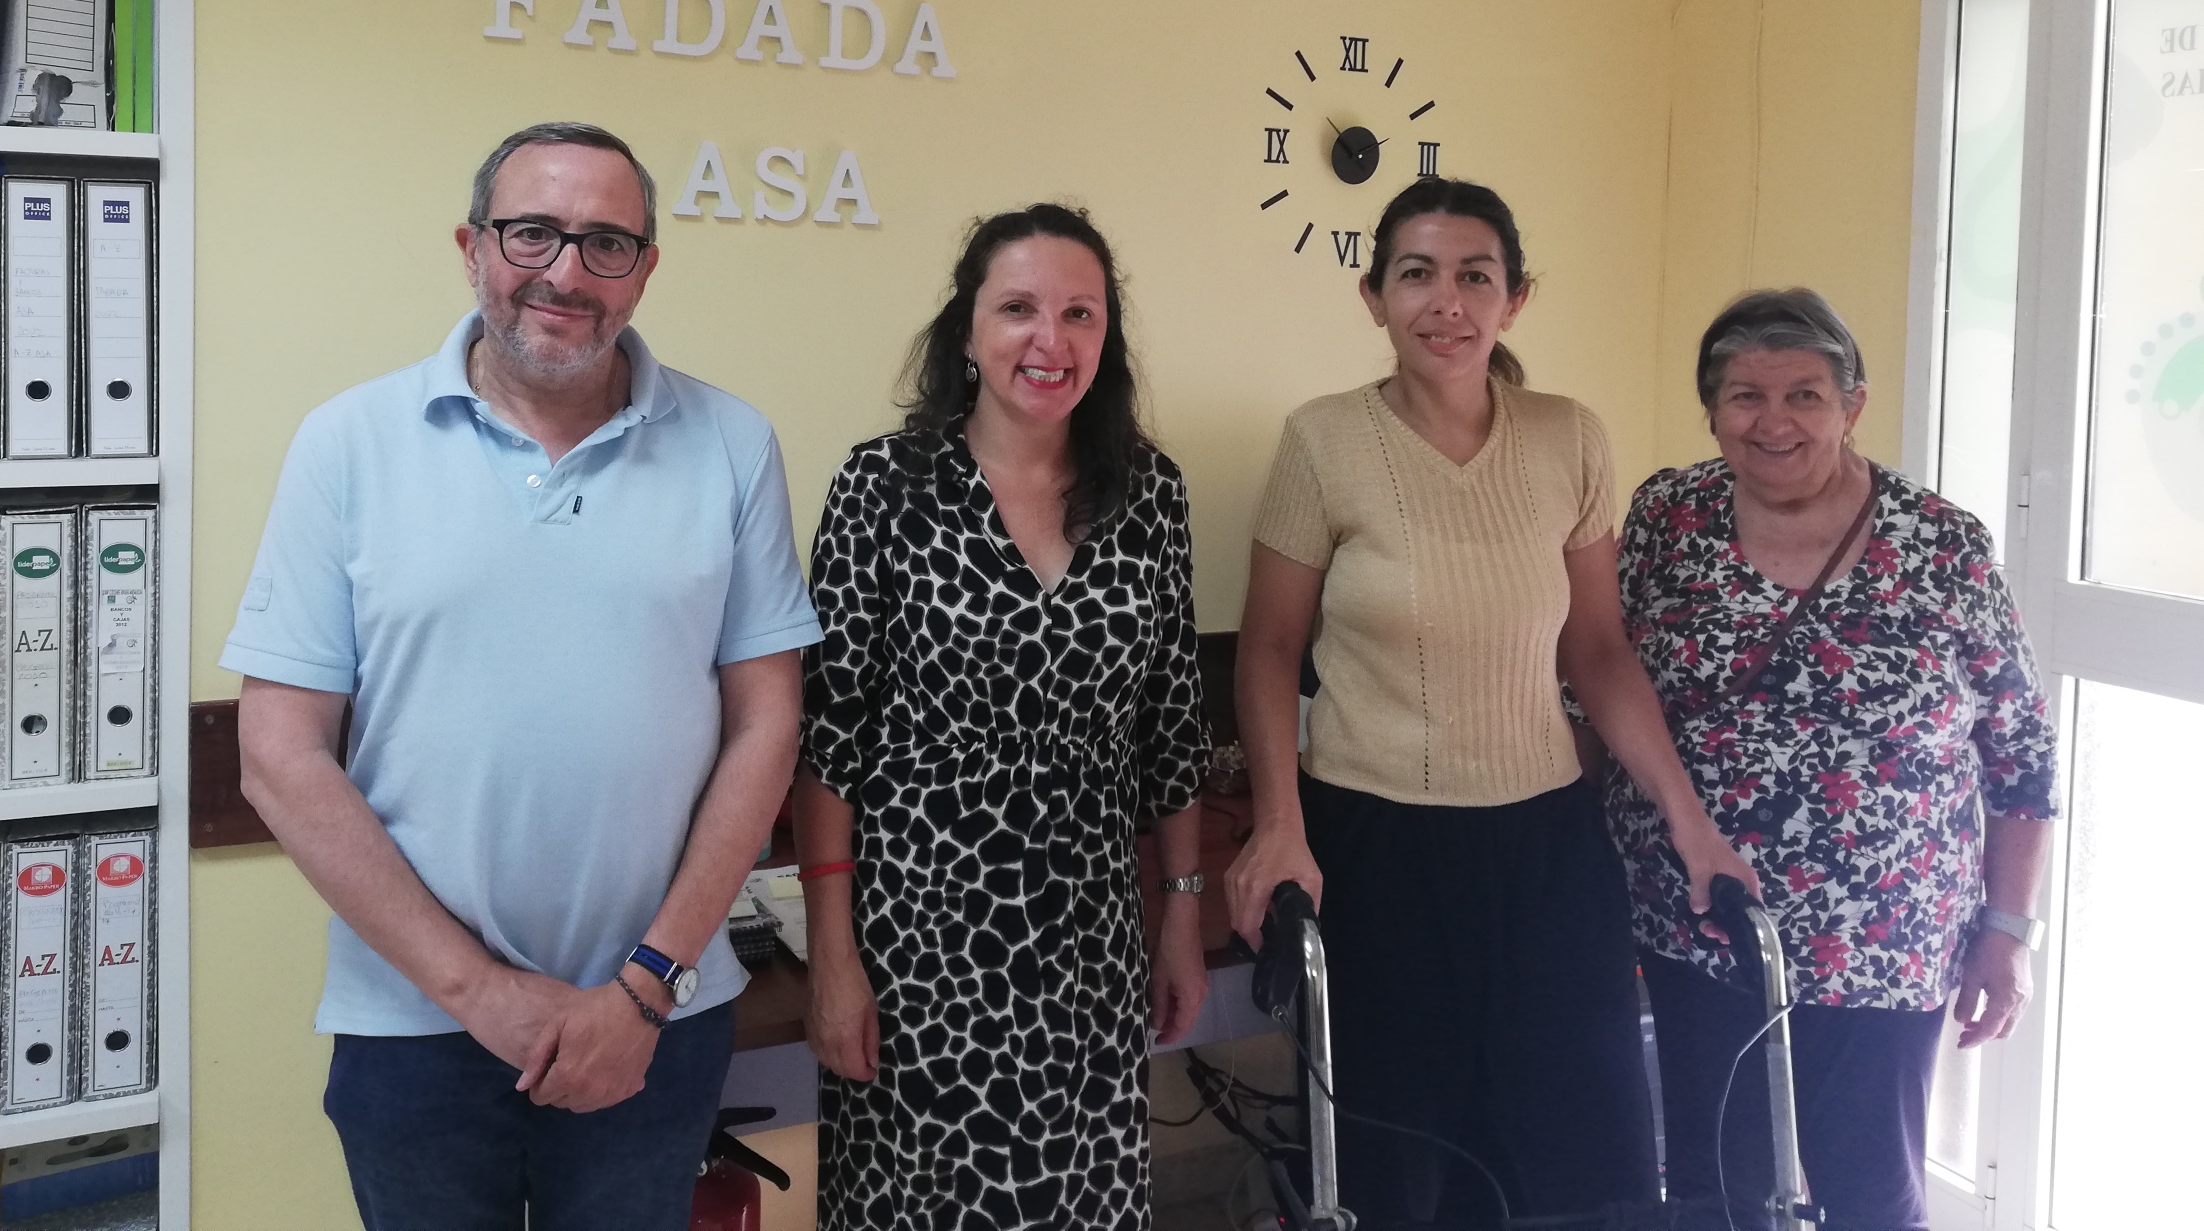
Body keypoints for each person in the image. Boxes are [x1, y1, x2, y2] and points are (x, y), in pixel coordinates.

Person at [228, 122, 821, 1231]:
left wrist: (643, 987)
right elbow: (277, 754)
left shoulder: (732, 444)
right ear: (472, 247)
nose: (565, 272)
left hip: (659, 1015)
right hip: (415, 1023)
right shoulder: (347, 442)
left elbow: (767, 727)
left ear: (645, 268)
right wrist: (479, 991)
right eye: (532, 233)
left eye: (606, 244)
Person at [1225, 175, 1756, 1230]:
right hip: (1374, 846)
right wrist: (1279, 825)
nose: (1447, 302)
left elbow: (1597, 652)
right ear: (1374, 297)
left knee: (1585, 1153)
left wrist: (1691, 824)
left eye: (1475, 276)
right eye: (1416, 274)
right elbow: (1270, 649)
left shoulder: (1570, 438)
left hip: (1547, 848)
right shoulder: (1323, 441)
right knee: (1396, 1161)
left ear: (1516, 298)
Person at [795, 203, 1208, 1231]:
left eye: (1080, 313)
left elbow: (1171, 727)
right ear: (968, 330)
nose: (1049, 339)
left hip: (1092, 937)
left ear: (1106, 338)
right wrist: (834, 960)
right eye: (1018, 307)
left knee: (1085, 1200)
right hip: (920, 942)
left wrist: (1182, 918)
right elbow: (829, 741)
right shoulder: (883, 487)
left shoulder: (1150, 494)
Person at [1607, 288, 2057, 1231]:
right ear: (1711, 408)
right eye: (1745, 395)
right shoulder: (1668, 517)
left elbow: (2021, 756)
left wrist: (2008, 932)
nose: (1773, 423)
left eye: (1804, 395)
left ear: (1853, 405)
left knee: (1871, 1195)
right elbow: (1602, 684)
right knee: (1714, 1191)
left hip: (1883, 942)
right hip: (1699, 925)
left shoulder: (1942, 546)